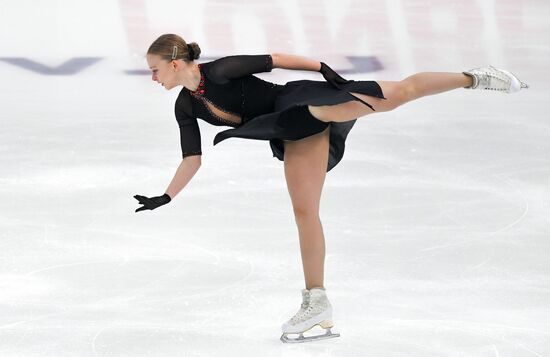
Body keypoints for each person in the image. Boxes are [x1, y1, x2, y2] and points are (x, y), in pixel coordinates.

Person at [133, 33, 528, 343]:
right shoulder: (185, 106)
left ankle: (475, 77)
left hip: (299, 103)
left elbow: (276, 60)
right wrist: (166, 196)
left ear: (174, 63)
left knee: (395, 95)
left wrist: (323, 68)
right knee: (305, 212)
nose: (152, 77)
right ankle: (316, 301)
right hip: (289, 133)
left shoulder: (219, 71)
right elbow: (192, 159)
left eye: (154, 70)